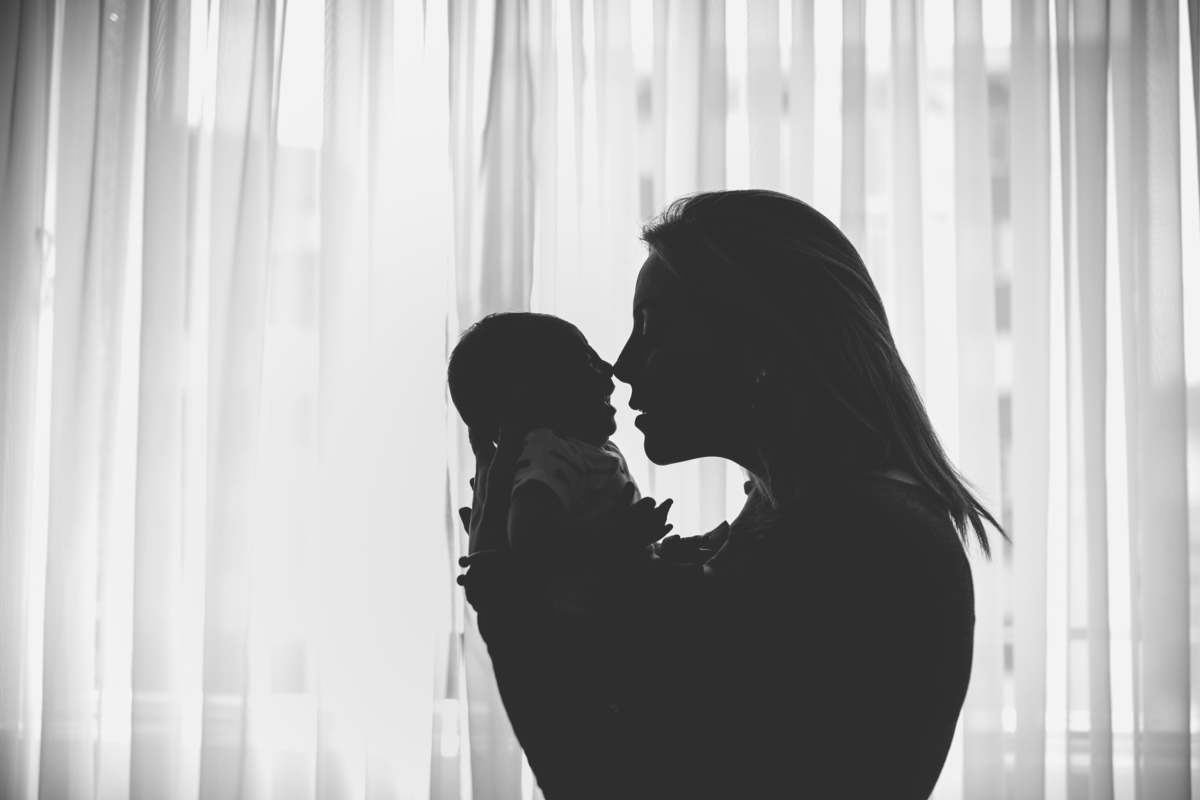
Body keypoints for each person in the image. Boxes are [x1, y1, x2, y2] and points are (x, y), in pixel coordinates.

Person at [457, 190, 1007, 799]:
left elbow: (602, 779)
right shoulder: (793, 516)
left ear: (759, 344)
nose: (622, 364)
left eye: (653, 328)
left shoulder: (859, 538)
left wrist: (507, 601)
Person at [447, 311, 654, 615]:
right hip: (600, 625)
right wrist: (619, 536)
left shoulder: (585, 452)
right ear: (528, 399)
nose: (609, 368)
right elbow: (531, 536)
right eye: (587, 362)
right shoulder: (548, 452)